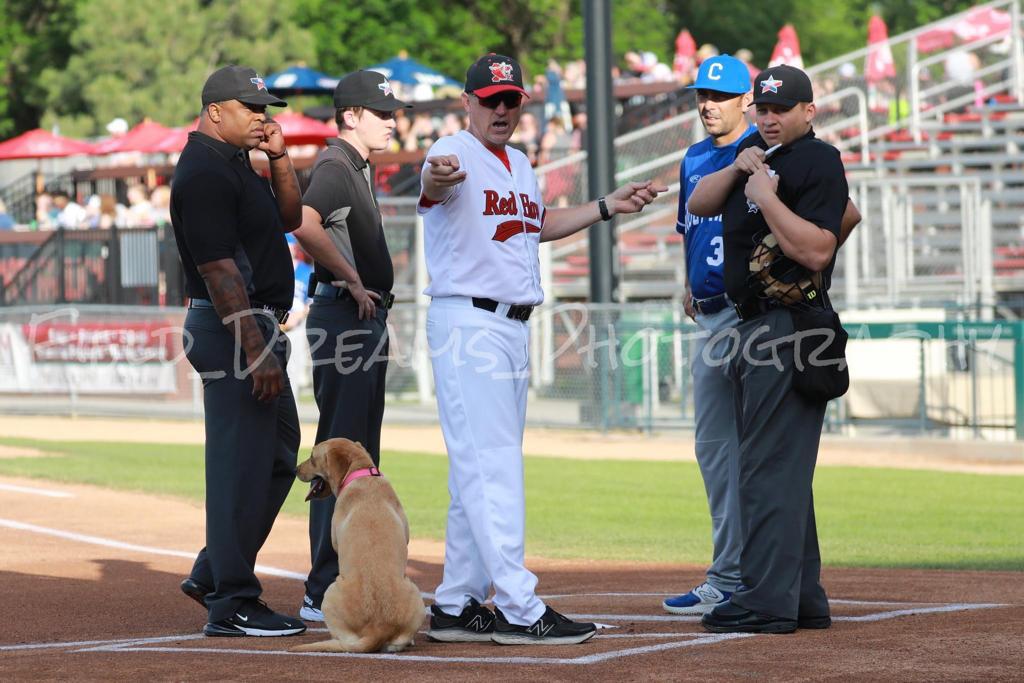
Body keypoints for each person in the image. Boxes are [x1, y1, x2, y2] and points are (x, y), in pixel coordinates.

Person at [419, 53, 665, 645]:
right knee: (494, 468)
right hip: (469, 323)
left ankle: (455, 604)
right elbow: (433, 183)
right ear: (468, 101)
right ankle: (520, 608)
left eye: (510, 99)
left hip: (510, 325)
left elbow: (538, 222)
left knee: (474, 472)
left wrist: (607, 205)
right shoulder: (450, 150)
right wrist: (436, 179)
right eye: (490, 99)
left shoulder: (521, 163)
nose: (501, 109)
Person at [688, 64, 849, 634]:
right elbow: (701, 204)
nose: (770, 118)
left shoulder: (818, 160)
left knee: (764, 467)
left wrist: (765, 198)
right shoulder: (755, 150)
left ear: (809, 111)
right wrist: (739, 167)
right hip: (755, 325)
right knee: (779, 467)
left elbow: (818, 250)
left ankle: (764, 599)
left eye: (783, 109)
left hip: (789, 325)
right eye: (764, 108)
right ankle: (802, 594)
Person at [170, 64, 306, 638]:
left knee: (277, 456)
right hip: (233, 331)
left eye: (266, 107)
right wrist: (257, 349)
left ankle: (212, 571)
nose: (262, 116)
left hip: (255, 329)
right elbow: (219, 271)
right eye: (252, 108)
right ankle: (232, 601)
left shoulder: (236, 163)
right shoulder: (202, 170)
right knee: (239, 470)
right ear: (215, 110)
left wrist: (278, 159)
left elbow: (290, 219)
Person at [289, 69, 410, 622]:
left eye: (393, 113)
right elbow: (303, 221)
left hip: (359, 319)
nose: (392, 121)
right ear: (351, 117)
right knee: (340, 459)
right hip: (345, 318)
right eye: (381, 113)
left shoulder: (355, 167)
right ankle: (321, 586)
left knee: (358, 462)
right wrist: (353, 279)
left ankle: (354, 577)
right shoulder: (337, 165)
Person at [663, 55, 756, 617]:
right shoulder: (695, 157)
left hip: (754, 318)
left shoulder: (760, 153)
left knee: (759, 450)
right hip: (711, 317)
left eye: (719, 95)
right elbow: (689, 229)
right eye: (702, 94)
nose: (708, 104)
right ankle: (727, 573)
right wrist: (688, 281)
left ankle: (751, 572)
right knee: (715, 450)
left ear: (746, 99)